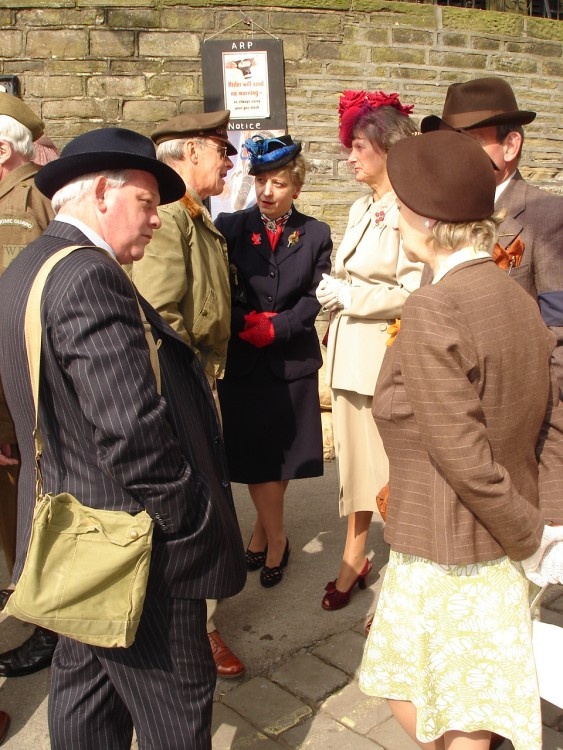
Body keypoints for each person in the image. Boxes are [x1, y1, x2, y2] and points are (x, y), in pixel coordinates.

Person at [0, 127, 246, 749]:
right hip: (131, 545)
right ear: (103, 193)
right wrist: (189, 521)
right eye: (145, 202)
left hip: (70, 531)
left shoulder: (27, 264)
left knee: (86, 692)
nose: (157, 221)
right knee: (176, 708)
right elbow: (131, 430)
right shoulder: (88, 276)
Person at [359, 129, 563, 750]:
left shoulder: (433, 308)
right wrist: (544, 518)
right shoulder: (514, 293)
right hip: (500, 536)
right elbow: (553, 413)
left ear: (425, 220)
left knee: (451, 711)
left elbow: (462, 457)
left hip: (451, 548)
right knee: (459, 697)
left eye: (396, 205)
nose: (390, 217)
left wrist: (533, 540)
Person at [130, 110, 244, 679]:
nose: (229, 162)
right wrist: (189, 391)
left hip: (201, 375)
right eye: (221, 151)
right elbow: (160, 315)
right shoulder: (172, 216)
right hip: (185, 382)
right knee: (196, 504)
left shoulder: (190, 213)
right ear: (193, 151)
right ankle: (197, 630)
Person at [315, 90, 422, 610]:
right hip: (350, 356)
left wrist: (351, 296)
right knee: (355, 470)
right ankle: (355, 558)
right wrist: (335, 290)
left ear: (388, 147)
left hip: (382, 358)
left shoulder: (409, 207)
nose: (350, 156)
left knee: (388, 475)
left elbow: (413, 291)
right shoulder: (363, 206)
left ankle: (401, 582)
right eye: (350, 146)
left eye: (359, 146)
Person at [215, 135, 332, 588]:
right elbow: (220, 285)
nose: (267, 190)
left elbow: (314, 296)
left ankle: (265, 534)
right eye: (261, 180)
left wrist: (279, 327)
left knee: (280, 456)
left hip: (291, 360)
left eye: (278, 183)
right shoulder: (230, 226)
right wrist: (246, 320)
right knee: (255, 455)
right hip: (244, 360)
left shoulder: (317, 233)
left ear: (295, 188)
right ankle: (277, 536)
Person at [420, 76, 563, 391]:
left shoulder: (549, 216)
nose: (456, 155)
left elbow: (560, 334)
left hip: (516, 409)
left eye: (470, 141)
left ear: (510, 145)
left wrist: (552, 435)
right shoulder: (439, 216)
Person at [0, 92, 57, 677]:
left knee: (31, 505)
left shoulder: (34, 198)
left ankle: (49, 623)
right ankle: (27, 595)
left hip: (23, 393)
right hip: (9, 391)